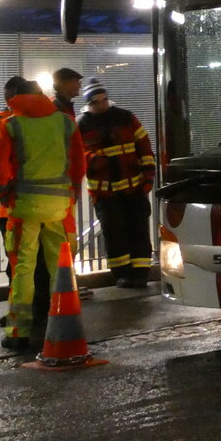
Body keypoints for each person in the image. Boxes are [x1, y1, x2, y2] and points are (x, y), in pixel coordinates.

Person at [0, 80, 86, 351]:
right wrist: (69, 193)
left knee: (23, 268)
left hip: (24, 207)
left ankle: (18, 331)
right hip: (60, 207)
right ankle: (62, 323)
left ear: (12, 97)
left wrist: (6, 195)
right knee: (60, 268)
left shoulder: (10, 125)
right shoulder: (65, 122)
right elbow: (79, 164)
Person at [0, 76, 50, 329]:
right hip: (36, 204)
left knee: (23, 263)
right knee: (32, 262)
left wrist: (3, 191)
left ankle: (26, 313)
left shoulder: (4, 123)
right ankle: (35, 310)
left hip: (13, 205)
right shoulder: (50, 121)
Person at [76, 78, 155, 288]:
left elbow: (144, 147)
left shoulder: (126, 117)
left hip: (134, 188)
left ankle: (141, 274)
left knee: (139, 232)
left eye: (103, 99)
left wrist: (148, 177)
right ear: (89, 103)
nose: (100, 104)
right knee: (114, 234)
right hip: (106, 195)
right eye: (95, 101)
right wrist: (94, 161)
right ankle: (122, 274)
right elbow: (76, 155)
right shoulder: (81, 124)